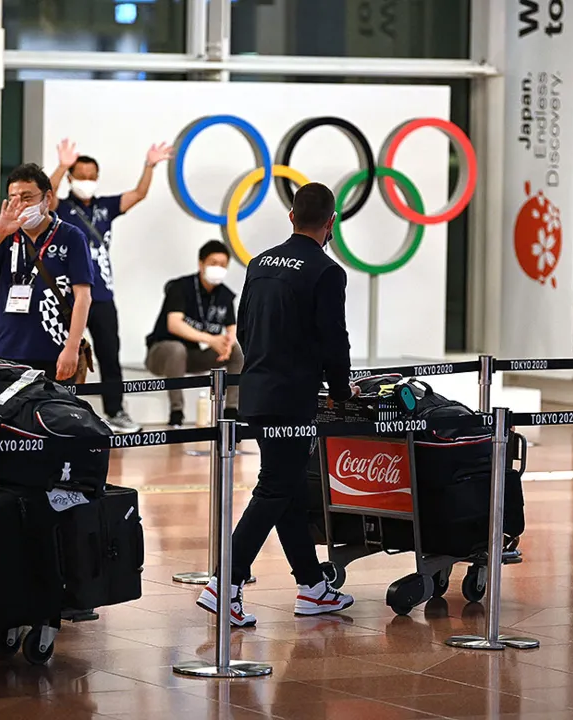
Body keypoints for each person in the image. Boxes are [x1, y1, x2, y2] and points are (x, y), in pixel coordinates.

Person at [197, 183, 357, 626]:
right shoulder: (327, 271)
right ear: (331, 222)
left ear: (291, 216)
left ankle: (312, 587)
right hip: (293, 397)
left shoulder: (260, 262)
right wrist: (341, 390)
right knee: (274, 490)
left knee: (284, 488)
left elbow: (244, 328)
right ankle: (224, 582)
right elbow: (334, 340)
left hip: (258, 389)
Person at [47, 139, 174, 433]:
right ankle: (59, 409)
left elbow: (139, 194)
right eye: (81, 176)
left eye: (92, 177)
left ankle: (116, 412)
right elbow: (47, 197)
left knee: (109, 353)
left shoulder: (105, 207)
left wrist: (149, 165)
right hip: (67, 297)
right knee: (64, 352)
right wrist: (62, 164)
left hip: (101, 294)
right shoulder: (62, 207)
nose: (87, 182)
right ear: (70, 178)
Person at [0, 163, 94, 382]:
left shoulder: (71, 237)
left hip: (54, 351)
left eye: (27, 197)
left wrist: (72, 348)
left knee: (53, 414)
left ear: (47, 198)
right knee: (8, 414)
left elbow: (83, 297)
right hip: (9, 350)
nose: (20, 204)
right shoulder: (8, 235)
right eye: (13, 197)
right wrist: (0, 231)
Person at [145, 240, 244, 427]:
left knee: (237, 350)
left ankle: (232, 409)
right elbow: (174, 324)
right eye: (213, 263)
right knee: (177, 349)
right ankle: (177, 411)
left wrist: (227, 343)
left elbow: (232, 328)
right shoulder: (181, 287)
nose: (219, 269)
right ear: (201, 264)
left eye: (223, 265)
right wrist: (211, 339)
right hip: (162, 354)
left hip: (194, 356)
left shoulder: (225, 295)